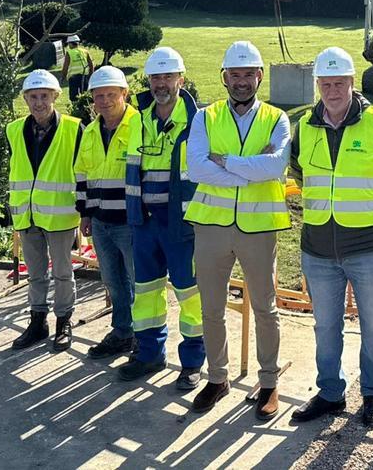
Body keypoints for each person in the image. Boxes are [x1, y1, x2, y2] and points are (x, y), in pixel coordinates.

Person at [288, 46, 373, 428]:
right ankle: (330, 393)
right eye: (326, 84)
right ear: (317, 86)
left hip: (368, 247)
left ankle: (372, 394)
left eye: (340, 83)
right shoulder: (304, 128)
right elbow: (299, 169)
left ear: (352, 84)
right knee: (325, 325)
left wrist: (370, 213)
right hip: (318, 248)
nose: (333, 91)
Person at [185, 40, 290, 420]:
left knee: (265, 308)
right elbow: (196, 168)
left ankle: (268, 382)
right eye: (235, 75)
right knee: (211, 308)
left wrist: (226, 162)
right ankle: (217, 377)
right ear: (224, 77)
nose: (242, 81)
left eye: (248, 74)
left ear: (259, 76)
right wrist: (250, 170)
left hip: (259, 229)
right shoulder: (205, 116)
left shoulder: (277, 118)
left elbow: (276, 167)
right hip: (211, 227)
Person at [119, 46, 205, 388]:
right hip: (145, 220)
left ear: (180, 79)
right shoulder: (139, 118)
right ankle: (150, 353)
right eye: (156, 77)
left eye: (168, 76)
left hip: (180, 223)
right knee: (146, 291)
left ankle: (193, 361)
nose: (161, 84)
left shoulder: (198, 121)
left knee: (190, 292)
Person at [7, 69, 83, 352]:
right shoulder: (14, 130)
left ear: (55, 97)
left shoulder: (74, 129)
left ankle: (64, 322)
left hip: (60, 215)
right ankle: (38, 321)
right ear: (26, 99)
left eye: (45, 96)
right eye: (33, 97)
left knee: (63, 273)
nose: (39, 102)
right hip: (27, 215)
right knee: (36, 273)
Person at [75, 66, 139, 361]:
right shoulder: (90, 131)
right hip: (101, 221)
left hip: (131, 221)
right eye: (98, 95)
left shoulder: (139, 125)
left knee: (140, 281)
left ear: (124, 94)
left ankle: (144, 336)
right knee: (113, 281)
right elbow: (82, 174)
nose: (104, 101)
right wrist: (85, 214)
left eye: (111, 94)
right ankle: (122, 332)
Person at [61, 34, 94, 101]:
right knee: (86, 95)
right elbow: (91, 64)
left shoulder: (69, 52)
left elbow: (65, 67)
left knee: (73, 96)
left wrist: (63, 77)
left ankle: (75, 109)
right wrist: (91, 75)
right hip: (84, 76)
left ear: (70, 43)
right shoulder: (85, 51)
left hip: (73, 78)